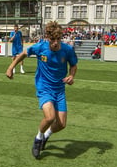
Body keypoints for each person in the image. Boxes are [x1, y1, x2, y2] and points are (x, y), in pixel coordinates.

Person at [6, 21, 78, 159]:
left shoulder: (67, 50)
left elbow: (73, 66)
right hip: (44, 87)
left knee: (62, 124)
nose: (56, 43)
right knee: (50, 117)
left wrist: (71, 76)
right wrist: (11, 68)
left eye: (58, 39)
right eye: (53, 39)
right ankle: (38, 139)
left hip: (59, 90)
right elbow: (23, 54)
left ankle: (46, 135)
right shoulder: (40, 47)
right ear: (47, 37)